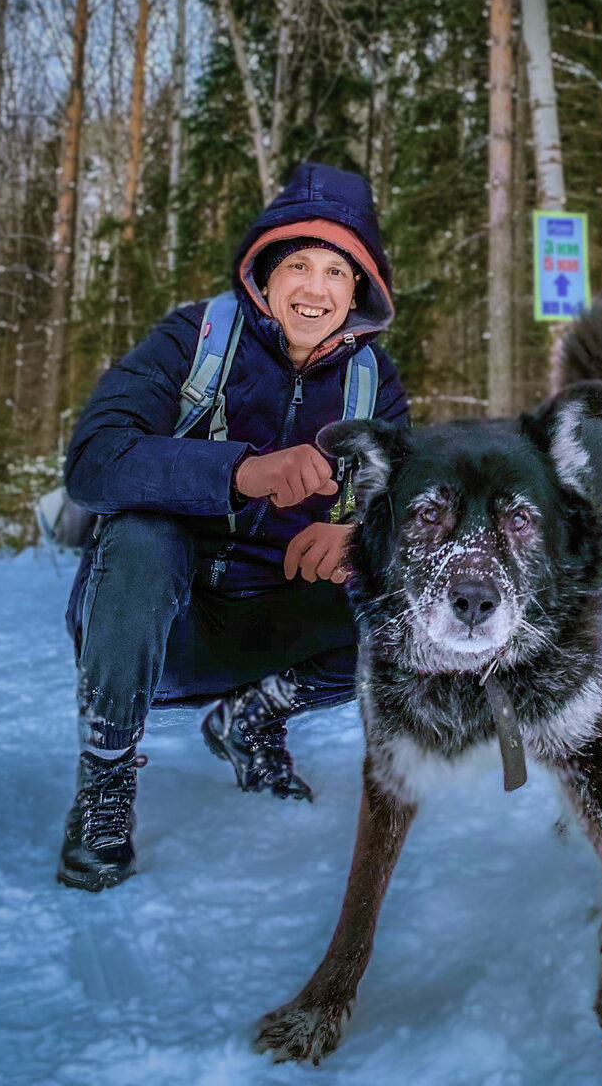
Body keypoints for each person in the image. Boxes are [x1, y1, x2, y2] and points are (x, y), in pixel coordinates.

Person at [56, 163, 408, 891]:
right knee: (143, 531)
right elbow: (94, 459)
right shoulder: (195, 339)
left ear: (359, 290)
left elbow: (404, 505)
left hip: (271, 620)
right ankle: (106, 775)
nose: (316, 289)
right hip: (155, 626)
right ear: (264, 275)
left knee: (396, 592)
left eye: (337, 272)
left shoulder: (375, 384)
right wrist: (241, 472)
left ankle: (253, 718)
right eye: (299, 265)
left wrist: (361, 536)